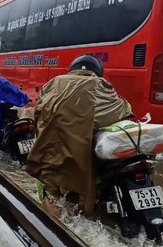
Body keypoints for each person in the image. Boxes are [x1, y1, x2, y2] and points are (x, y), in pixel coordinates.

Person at [25, 54, 132, 217]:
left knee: (49, 186)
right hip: (85, 159)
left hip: (53, 153)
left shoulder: (54, 82)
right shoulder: (101, 84)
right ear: (97, 71)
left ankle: (54, 227)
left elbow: (39, 113)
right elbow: (120, 109)